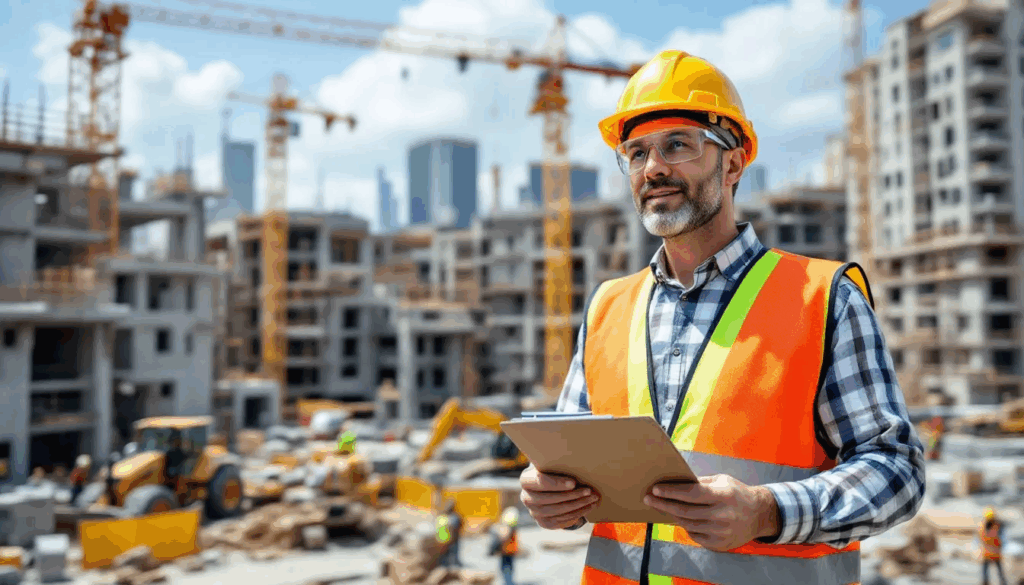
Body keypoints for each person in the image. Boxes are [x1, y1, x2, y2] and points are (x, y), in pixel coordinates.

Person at [518, 49, 926, 584]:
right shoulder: (606, 309)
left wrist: (768, 511)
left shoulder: (823, 298)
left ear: (732, 163)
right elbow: (575, 470)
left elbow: (898, 471)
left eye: (678, 145)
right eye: (636, 153)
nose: (653, 168)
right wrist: (552, 496)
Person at [489, 507, 520, 585]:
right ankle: (508, 582)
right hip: (510, 550)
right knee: (509, 568)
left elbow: (504, 537)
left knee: (506, 568)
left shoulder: (508, 528)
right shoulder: (512, 527)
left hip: (506, 551)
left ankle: (508, 583)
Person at [979, 507, 1007, 585]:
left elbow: (980, 538)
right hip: (995, 552)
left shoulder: (983, 526)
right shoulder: (997, 526)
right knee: (998, 568)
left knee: (986, 568)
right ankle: (1002, 581)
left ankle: (985, 581)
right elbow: (1003, 538)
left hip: (987, 552)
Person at [435, 499, 463, 568]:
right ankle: (448, 566)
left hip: (445, 539)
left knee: (449, 553)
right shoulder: (448, 518)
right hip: (447, 539)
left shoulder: (444, 517)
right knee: (448, 553)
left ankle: (450, 565)